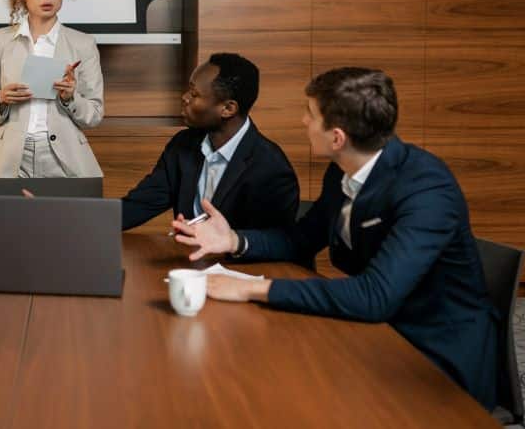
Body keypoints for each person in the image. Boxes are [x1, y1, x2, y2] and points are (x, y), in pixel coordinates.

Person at [172, 67, 497, 409]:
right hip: (379, 333)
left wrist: (252, 288)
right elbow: (301, 239)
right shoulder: (342, 170)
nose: (302, 121)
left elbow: (375, 296)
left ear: (337, 137)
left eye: (310, 114)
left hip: (436, 357)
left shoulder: (427, 189)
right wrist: (234, 240)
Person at [122, 53, 299, 231]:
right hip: (188, 256)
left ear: (228, 109)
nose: (184, 98)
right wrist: (96, 222)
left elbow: (273, 244)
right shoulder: (182, 144)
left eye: (194, 94)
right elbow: (140, 204)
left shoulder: (271, 168)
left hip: (235, 259)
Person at [0, 0, 104, 178]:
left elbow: (94, 114)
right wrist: (1, 99)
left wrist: (70, 98)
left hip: (65, 158)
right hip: (10, 157)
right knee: (10, 216)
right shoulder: (0, 40)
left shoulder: (83, 44)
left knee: (62, 216)